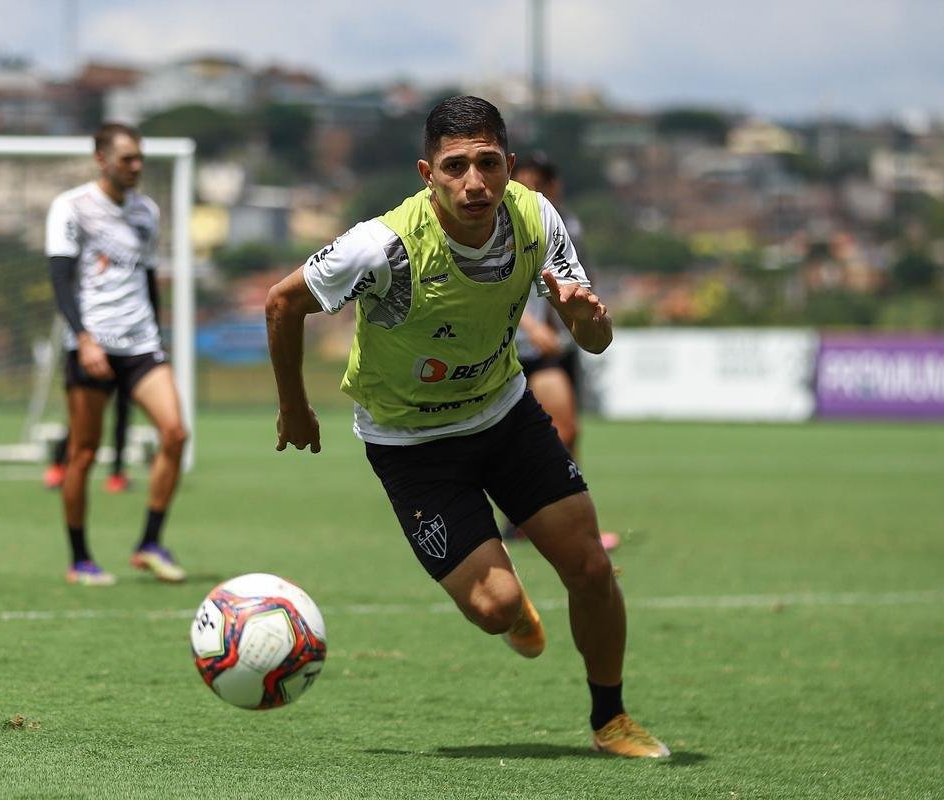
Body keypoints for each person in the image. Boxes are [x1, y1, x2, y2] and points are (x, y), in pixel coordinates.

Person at [266, 96, 668, 758]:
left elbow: (594, 341)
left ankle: (611, 719)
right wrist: (293, 406)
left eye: (488, 163)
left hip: (503, 414)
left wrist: (584, 318)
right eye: (455, 166)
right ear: (428, 174)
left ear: (510, 164)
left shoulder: (537, 218)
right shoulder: (384, 247)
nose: (474, 182)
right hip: (411, 442)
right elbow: (282, 302)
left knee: (591, 567)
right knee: (494, 607)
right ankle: (513, 607)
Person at [45, 121, 188, 586]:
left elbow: (147, 278)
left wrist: (158, 336)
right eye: (127, 158)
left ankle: (149, 543)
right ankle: (80, 559)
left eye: (140, 158)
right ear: (101, 159)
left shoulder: (147, 211)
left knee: (175, 433)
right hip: (93, 344)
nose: (136, 166)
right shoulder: (71, 207)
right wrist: (83, 338)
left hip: (141, 344)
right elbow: (60, 280)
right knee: (83, 454)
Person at [508, 155, 620, 551]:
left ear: (554, 187)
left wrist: (584, 316)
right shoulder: (500, 223)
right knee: (517, 436)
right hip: (512, 348)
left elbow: (580, 276)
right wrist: (531, 325)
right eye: (522, 183)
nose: (530, 192)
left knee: (567, 432)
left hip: (554, 348)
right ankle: (531, 520)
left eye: (538, 184)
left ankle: (561, 525)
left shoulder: (565, 224)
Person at [43, 387, 133, 493]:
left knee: (122, 414)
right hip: (97, 379)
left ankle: (117, 474)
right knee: (83, 416)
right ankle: (58, 465)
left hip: (124, 377)